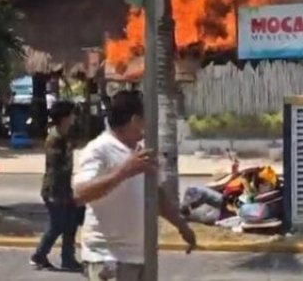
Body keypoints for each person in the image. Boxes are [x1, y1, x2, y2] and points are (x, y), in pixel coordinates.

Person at [73, 90, 196, 281]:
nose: (148, 125)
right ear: (134, 120)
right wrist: (125, 170)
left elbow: (156, 193)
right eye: (145, 118)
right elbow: (80, 194)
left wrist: (181, 225)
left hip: (141, 257)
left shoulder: (141, 151)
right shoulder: (99, 149)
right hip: (108, 258)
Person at [30, 101, 82, 271]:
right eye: (71, 114)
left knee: (72, 222)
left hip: (64, 189)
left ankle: (68, 258)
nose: (74, 117)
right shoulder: (55, 138)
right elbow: (57, 168)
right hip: (54, 189)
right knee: (58, 224)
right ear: (63, 118)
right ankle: (38, 256)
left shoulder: (65, 135)